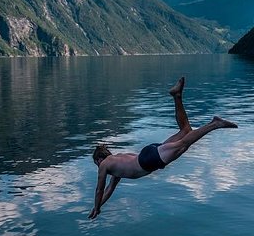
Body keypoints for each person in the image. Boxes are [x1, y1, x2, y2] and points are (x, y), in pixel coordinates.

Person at [88, 77, 238, 219]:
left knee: (183, 144)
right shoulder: (116, 165)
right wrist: (98, 206)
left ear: (99, 159)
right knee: (185, 131)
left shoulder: (105, 164)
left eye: (97, 163)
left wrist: (97, 207)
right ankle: (177, 95)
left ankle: (214, 124)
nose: (98, 167)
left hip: (148, 160)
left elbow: (99, 189)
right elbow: (109, 190)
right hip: (149, 153)